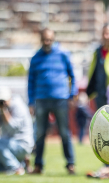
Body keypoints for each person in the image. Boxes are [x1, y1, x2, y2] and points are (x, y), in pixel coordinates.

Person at [28, 28, 77, 175]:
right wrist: (31, 102)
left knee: (64, 133)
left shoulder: (63, 54)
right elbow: (30, 81)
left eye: (49, 39)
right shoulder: (36, 57)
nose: (47, 42)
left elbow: (72, 76)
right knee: (40, 133)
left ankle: (70, 164)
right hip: (41, 99)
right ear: (41, 39)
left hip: (61, 99)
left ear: (53, 39)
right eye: (44, 40)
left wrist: (72, 95)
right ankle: (38, 165)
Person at [0, 87, 34, 175]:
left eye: (4, 101)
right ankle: (22, 163)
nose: (3, 103)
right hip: (8, 145)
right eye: (0, 101)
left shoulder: (19, 107)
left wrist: (4, 111)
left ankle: (16, 168)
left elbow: (13, 128)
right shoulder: (1, 108)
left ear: (10, 98)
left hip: (22, 145)